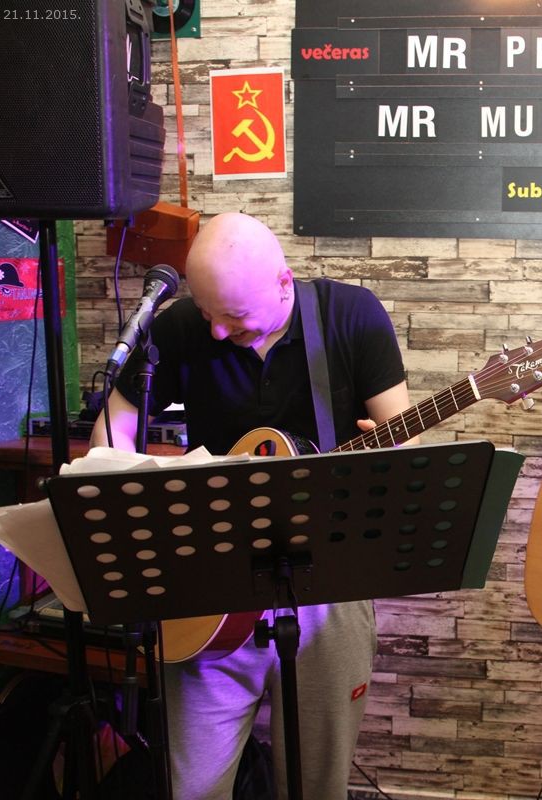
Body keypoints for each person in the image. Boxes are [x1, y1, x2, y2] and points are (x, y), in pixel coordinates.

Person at [90, 211, 411, 800]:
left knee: (315, 787)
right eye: (207, 312)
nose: (216, 331)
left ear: (283, 282)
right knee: (191, 787)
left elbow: (399, 442)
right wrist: (130, 487)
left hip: (327, 583)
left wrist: (385, 462)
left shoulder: (350, 315)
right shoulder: (182, 327)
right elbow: (115, 427)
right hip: (211, 586)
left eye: (234, 316)